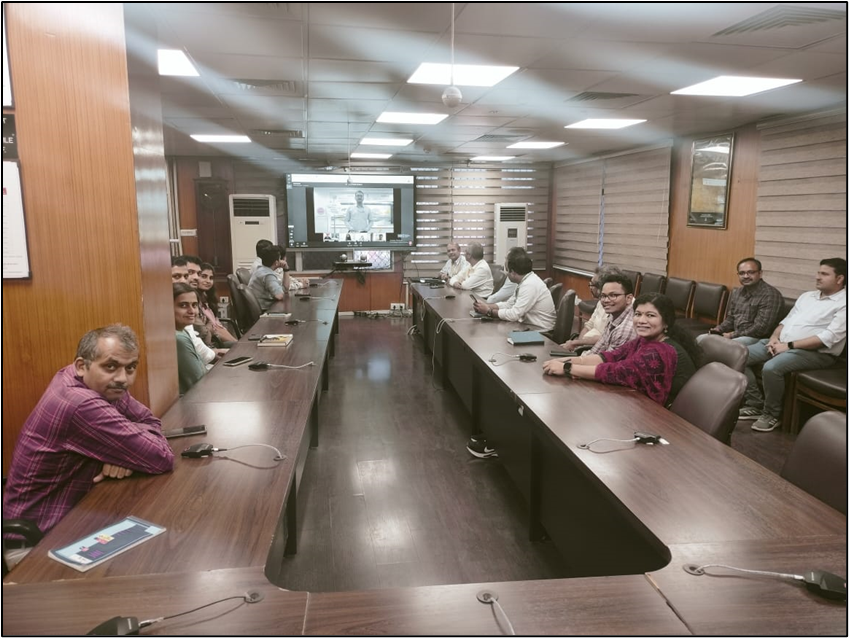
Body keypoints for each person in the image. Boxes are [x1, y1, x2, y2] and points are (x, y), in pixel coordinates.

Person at [3, 325, 174, 535]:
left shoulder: (94, 382)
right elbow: (161, 457)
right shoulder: (80, 403)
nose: (123, 378)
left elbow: (149, 420)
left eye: (130, 367)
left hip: (73, 515)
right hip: (34, 538)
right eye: (110, 366)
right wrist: (130, 448)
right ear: (81, 366)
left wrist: (125, 451)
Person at [739, 258, 846, 432]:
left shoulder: (843, 303)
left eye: (824, 274)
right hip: (782, 344)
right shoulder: (807, 296)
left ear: (840, 279)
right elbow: (785, 321)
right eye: (818, 272)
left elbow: (828, 338)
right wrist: (774, 337)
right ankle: (755, 403)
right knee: (739, 356)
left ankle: (771, 414)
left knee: (771, 367)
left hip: (817, 353)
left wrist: (789, 345)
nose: (818, 277)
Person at [542, 293, 701, 406]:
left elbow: (617, 371)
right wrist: (570, 360)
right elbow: (610, 357)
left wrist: (567, 368)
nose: (641, 320)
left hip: (667, 420)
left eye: (650, 315)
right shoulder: (645, 340)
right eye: (638, 314)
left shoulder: (659, 351)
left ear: (666, 322)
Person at [705, 257, 783, 344]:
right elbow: (731, 318)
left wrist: (731, 335)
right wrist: (719, 329)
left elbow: (761, 329)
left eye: (751, 272)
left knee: (720, 346)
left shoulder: (770, 295)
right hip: (738, 335)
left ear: (760, 273)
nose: (746, 276)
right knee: (701, 339)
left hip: (759, 339)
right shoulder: (738, 292)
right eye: (742, 273)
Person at [472, 252, 556, 332]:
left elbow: (514, 315)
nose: (506, 273)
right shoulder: (525, 281)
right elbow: (509, 304)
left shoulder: (529, 285)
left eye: (506, 269)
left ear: (512, 272)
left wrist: (489, 311)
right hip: (529, 327)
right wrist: (487, 306)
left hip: (541, 332)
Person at [560, 266, 623, 351]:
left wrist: (577, 344)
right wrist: (578, 346)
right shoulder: (601, 302)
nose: (590, 287)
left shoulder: (618, 309)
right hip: (584, 349)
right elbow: (588, 326)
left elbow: (605, 338)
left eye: (592, 284)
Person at [585, 273, 638, 355]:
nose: (606, 300)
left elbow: (604, 361)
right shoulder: (614, 316)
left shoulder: (625, 329)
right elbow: (596, 351)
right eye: (603, 296)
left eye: (613, 295)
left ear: (628, 298)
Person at [174, 282, 208, 395]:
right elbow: (199, 382)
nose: (192, 311)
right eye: (183, 305)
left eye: (194, 305)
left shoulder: (182, 330)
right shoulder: (179, 339)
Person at [198, 262, 238, 346]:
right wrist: (238, 344)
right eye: (204, 276)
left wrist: (238, 343)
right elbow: (213, 330)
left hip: (217, 337)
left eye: (211, 278)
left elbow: (217, 326)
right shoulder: (195, 301)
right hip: (210, 343)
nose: (208, 281)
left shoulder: (206, 297)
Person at [248, 244, 288, 312]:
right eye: (279, 259)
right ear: (276, 263)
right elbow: (279, 296)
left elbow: (285, 289)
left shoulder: (261, 269)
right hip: (264, 311)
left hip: (260, 308)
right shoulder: (268, 275)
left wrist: (286, 269)